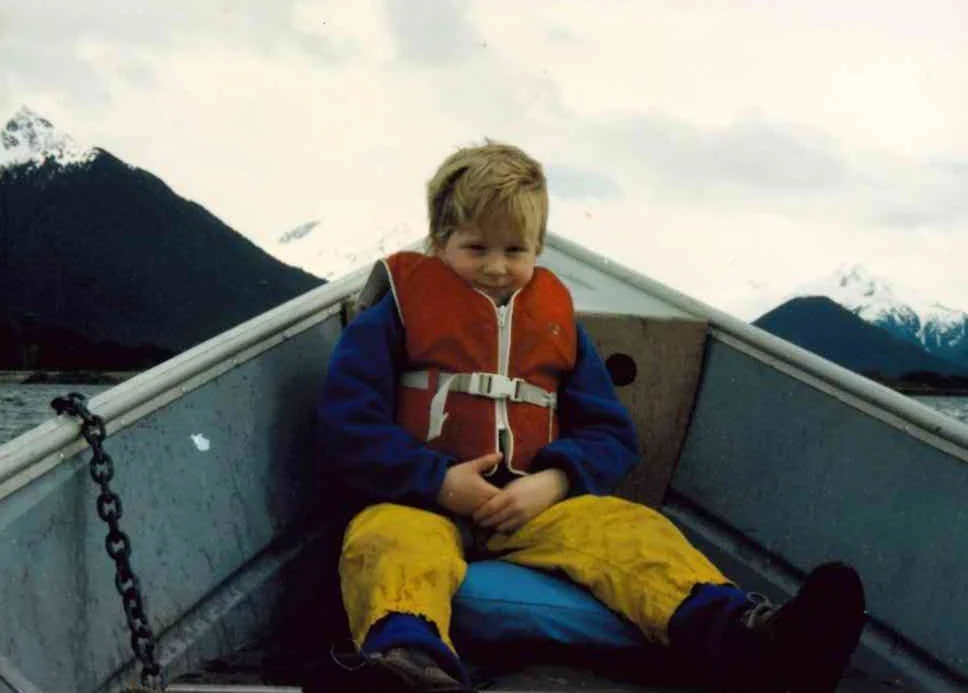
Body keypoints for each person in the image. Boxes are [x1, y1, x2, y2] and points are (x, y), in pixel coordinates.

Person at [316, 139, 866, 692]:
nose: (498, 268)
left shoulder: (559, 327)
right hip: (419, 502)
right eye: (476, 248)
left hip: (532, 508)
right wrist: (437, 482)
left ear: (537, 248)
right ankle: (410, 666)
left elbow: (610, 433)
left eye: (515, 250)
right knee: (384, 542)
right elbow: (346, 425)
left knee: (634, 531)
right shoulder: (395, 316)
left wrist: (555, 481)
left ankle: (753, 641)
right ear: (439, 242)